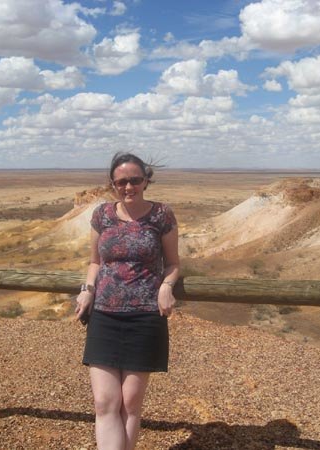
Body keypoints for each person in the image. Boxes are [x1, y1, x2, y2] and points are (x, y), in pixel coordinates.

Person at [75, 152, 180, 450]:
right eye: (121, 182)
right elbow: (94, 262)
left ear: (146, 180)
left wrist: (166, 286)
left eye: (135, 180)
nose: (128, 186)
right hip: (104, 315)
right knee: (104, 402)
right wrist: (87, 289)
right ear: (113, 185)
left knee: (131, 404)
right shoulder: (102, 215)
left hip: (145, 316)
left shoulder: (161, 215)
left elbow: (173, 263)